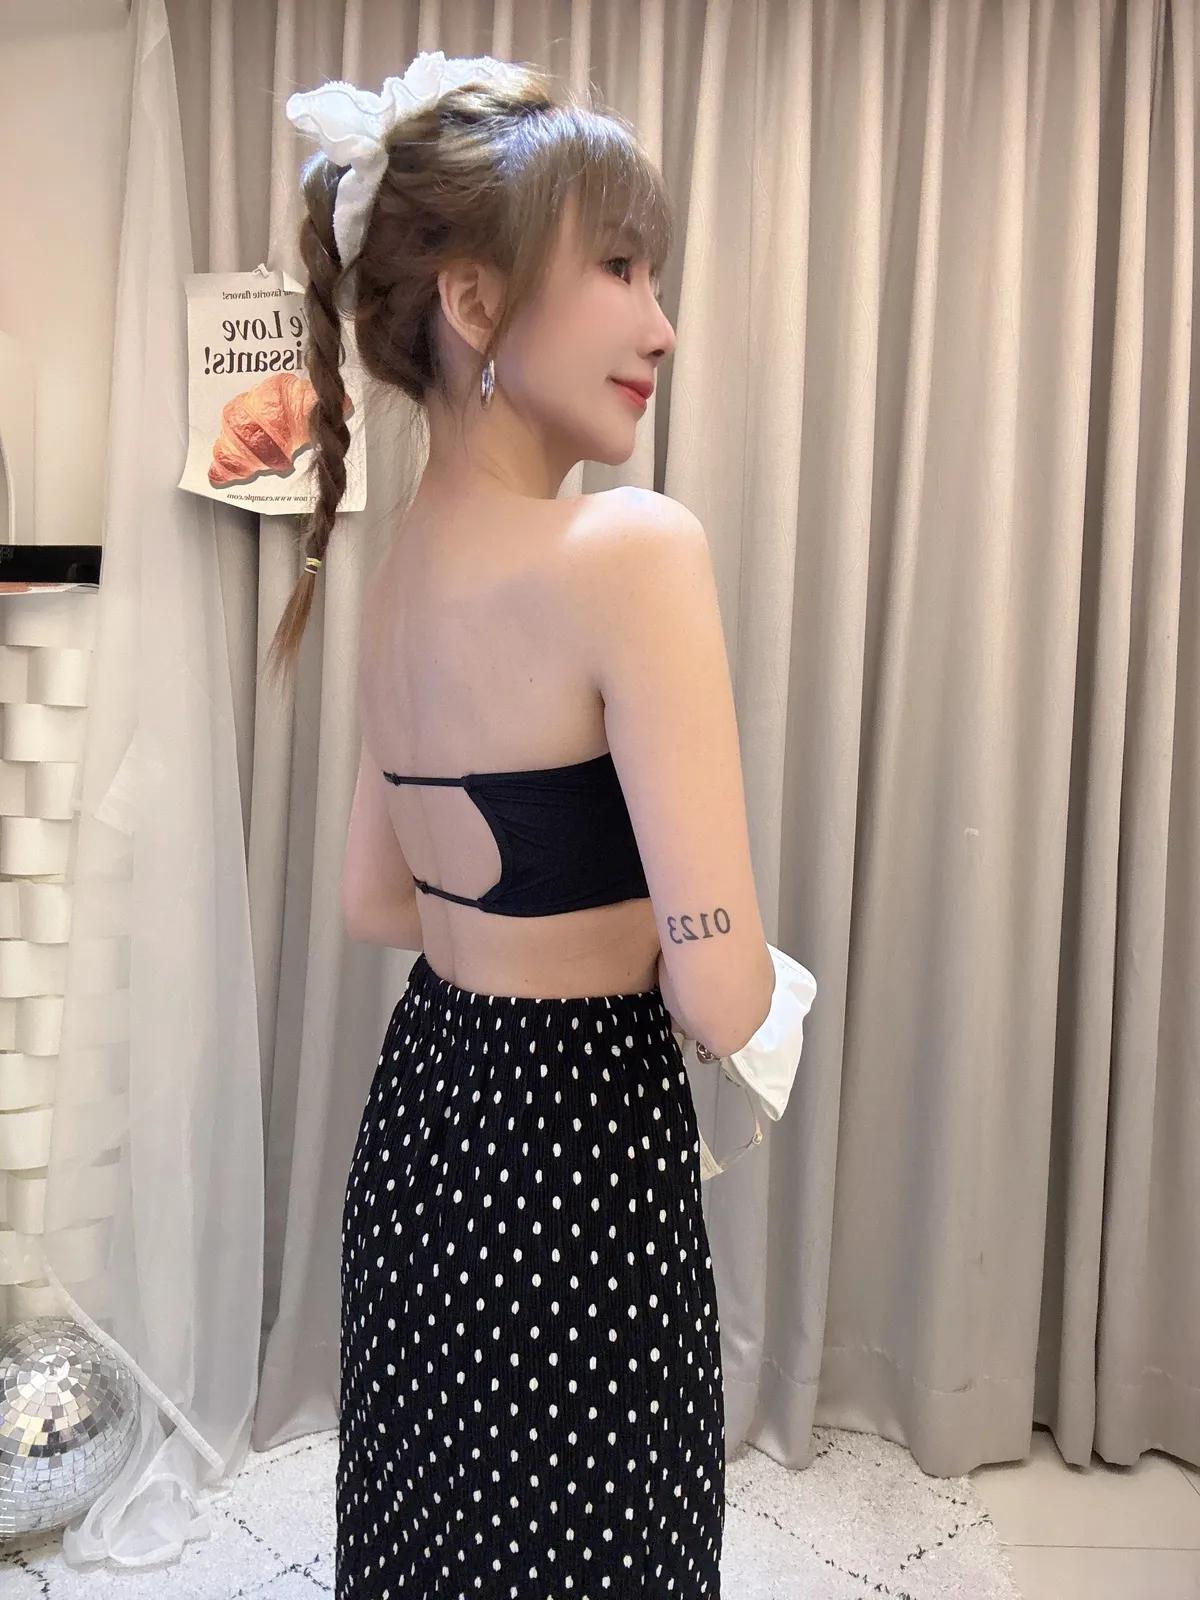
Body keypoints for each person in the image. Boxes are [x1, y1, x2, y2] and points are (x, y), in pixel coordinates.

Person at [277, 52, 775, 1599]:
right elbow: (727, 998)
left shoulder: (394, 581)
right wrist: (702, 948)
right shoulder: (632, 550)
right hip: (575, 1143)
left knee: (442, 1525)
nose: (661, 324)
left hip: (429, 1119)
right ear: (476, 303)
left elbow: (379, 903)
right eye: (620, 267)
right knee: (593, 1538)